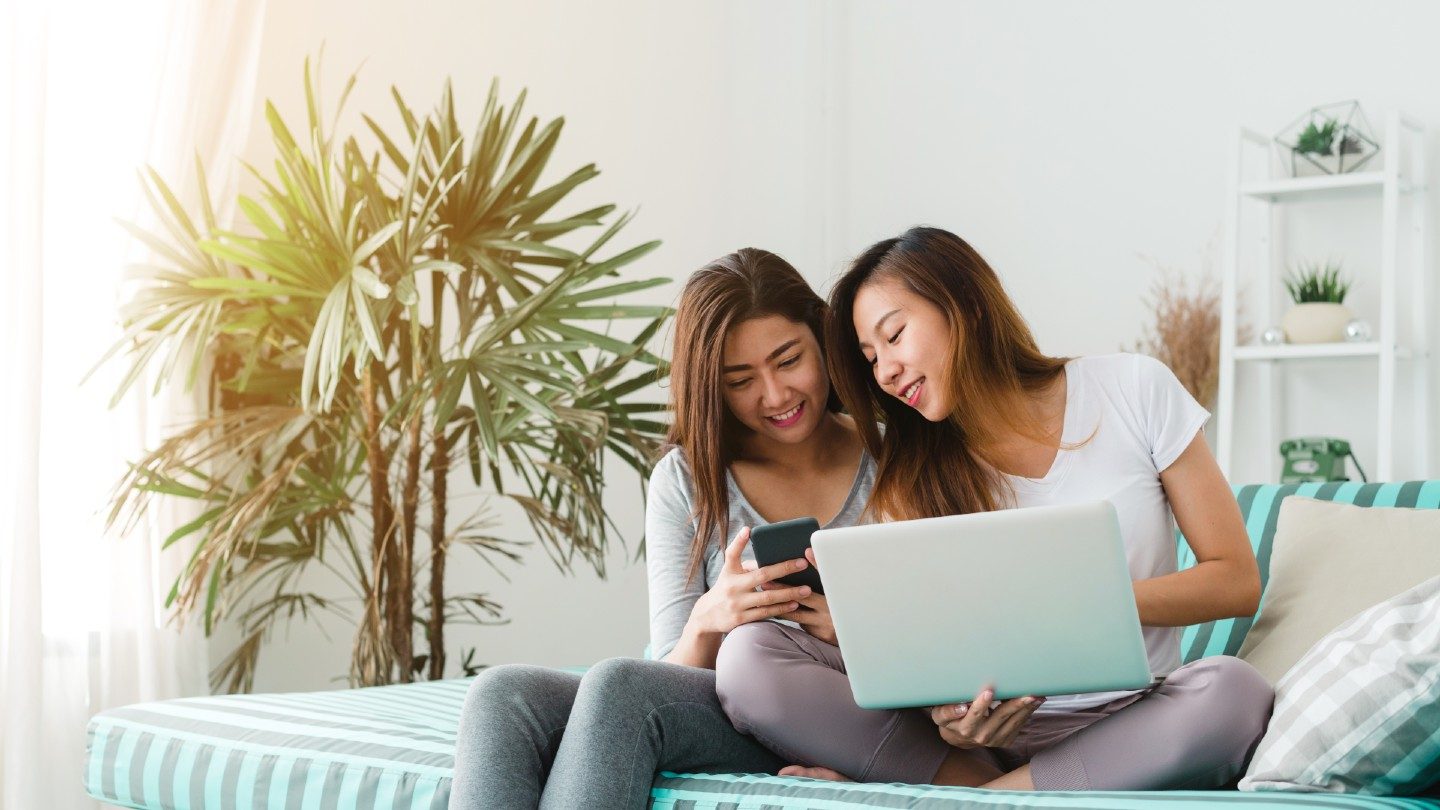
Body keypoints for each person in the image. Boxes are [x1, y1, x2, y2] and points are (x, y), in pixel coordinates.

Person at [714, 226, 1273, 792]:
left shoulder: (1133, 389)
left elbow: (1235, 580)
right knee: (748, 659)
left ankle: (978, 802)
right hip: (990, 742)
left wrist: (1078, 604)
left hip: (1133, 722)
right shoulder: (911, 477)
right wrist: (954, 720)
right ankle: (983, 786)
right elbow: (935, 652)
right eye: (870, 357)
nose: (884, 370)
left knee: (1235, 692)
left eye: (895, 336)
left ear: (965, 308)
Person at [449, 247, 874, 808]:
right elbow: (670, 674)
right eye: (740, 379)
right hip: (724, 700)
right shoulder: (686, 477)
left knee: (617, 688)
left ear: (823, 341)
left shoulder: (892, 459)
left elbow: (932, 638)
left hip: (830, 702)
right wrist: (709, 622)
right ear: (711, 387)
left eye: (789, 359)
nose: (774, 395)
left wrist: (845, 632)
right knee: (502, 694)